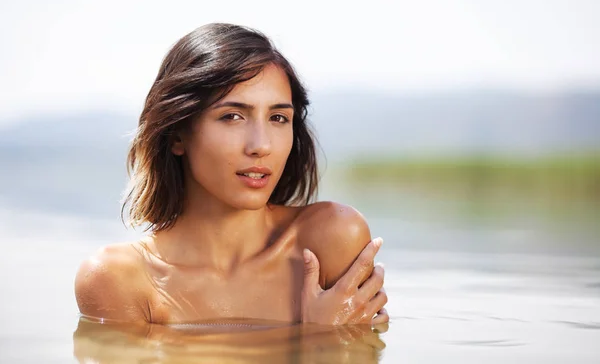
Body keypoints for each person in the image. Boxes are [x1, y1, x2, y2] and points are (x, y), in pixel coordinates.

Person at [74, 23, 388, 325]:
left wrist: (331, 340)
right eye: (233, 116)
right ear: (177, 135)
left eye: (278, 117)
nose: (261, 145)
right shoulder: (118, 279)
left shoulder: (329, 239)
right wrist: (321, 341)